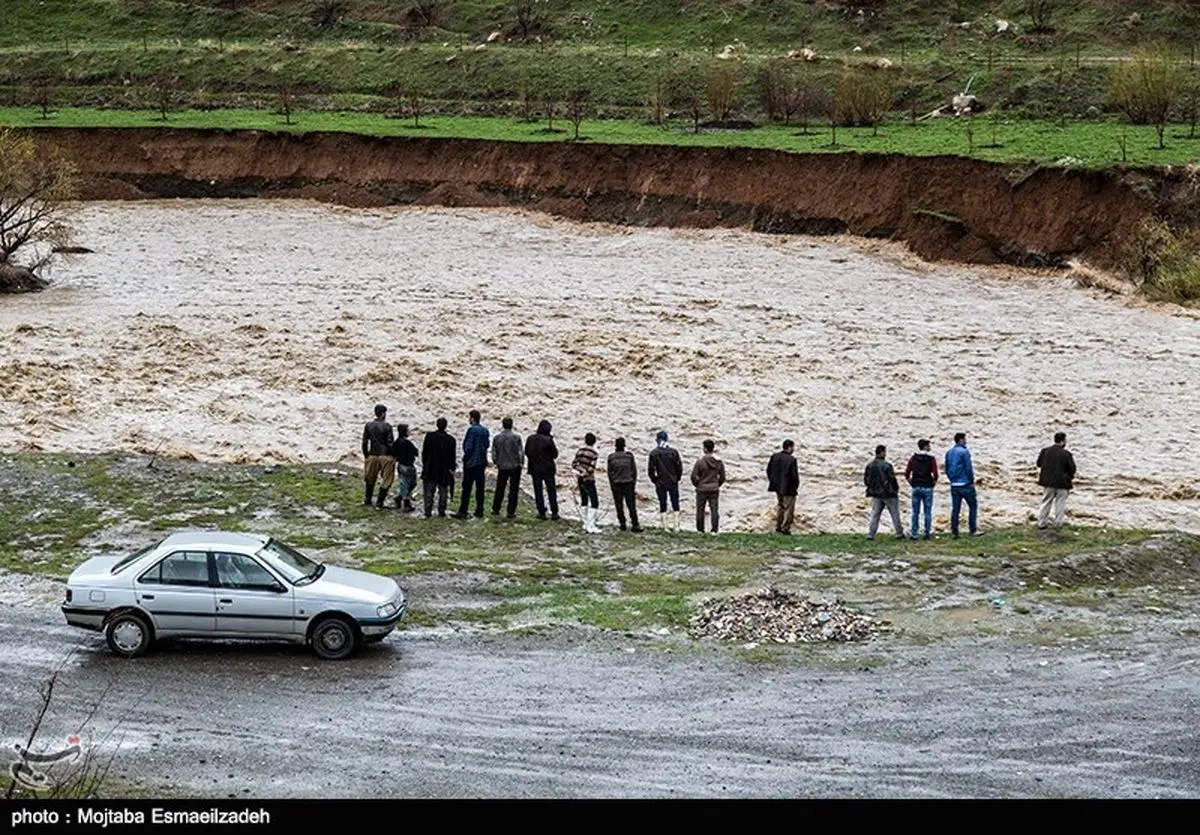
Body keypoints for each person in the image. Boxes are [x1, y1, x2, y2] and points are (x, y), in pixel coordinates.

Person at [453, 409, 489, 519]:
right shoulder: (485, 430)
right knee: (480, 487)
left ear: (472, 418)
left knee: (467, 488)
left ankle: (463, 510)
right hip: (481, 462)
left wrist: (466, 457)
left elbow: (468, 447)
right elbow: (487, 445)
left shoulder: (471, 430)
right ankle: (479, 510)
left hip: (471, 463)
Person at [1036, 431, 1077, 529]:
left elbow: (1039, 464)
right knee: (1060, 503)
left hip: (1048, 482)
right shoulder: (1067, 454)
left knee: (1046, 502)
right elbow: (1072, 469)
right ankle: (1057, 523)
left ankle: (1042, 523)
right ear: (1062, 441)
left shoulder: (1045, 451)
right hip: (1063, 483)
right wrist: (1069, 477)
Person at [865, 444, 905, 540]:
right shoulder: (887, 465)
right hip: (888, 493)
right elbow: (892, 479)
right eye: (884, 452)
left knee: (875, 514)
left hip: (876, 494)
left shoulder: (869, 465)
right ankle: (899, 533)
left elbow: (866, 480)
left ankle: (871, 534)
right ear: (882, 453)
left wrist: (871, 489)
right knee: (894, 514)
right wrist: (895, 489)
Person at [944, 432, 980, 538]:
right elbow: (968, 468)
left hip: (954, 484)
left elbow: (946, 468)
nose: (966, 441)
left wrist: (951, 479)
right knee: (973, 506)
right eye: (965, 439)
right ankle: (972, 530)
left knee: (955, 509)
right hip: (965, 484)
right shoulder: (964, 452)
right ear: (961, 439)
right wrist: (971, 481)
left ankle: (954, 532)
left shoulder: (949, 452)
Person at [648, 430, 684, 532]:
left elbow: (651, 470)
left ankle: (665, 526)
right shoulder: (673, 452)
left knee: (662, 503)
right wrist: (677, 478)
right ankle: (676, 526)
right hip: (673, 481)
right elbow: (679, 468)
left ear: (657, 440)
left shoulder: (654, 453)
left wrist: (655, 480)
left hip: (660, 482)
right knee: (675, 503)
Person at [420, 417, 457, 518]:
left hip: (430, 467)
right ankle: (442, 510)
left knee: (429, 491)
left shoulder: (429, 436)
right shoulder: (451, 440)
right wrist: (452, 468)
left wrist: (425, 464)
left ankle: (428, 510)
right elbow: (452, 457)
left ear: (437, 425)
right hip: (444, 469)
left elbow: (424, 452)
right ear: (445, 426)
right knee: (443, 491)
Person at [525, 419, 560, 521]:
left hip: (534, 469)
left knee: (538, 491)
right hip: (548, 469)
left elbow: (527, 452)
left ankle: (541, 512)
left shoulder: (530, 439)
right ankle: (554, 512)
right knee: (551, 491)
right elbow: (555, 454)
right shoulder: (548, 440)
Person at [361, 404, 395, 509]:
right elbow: (390, 443)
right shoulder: (387, 426)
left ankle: (368, 500)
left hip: (373, 454)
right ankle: (379, 503)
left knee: (370, 478)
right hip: (385, 455)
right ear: (383, 414)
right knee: (386, 480)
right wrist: (394, 455)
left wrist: (366, 454)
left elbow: (364, 442)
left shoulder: (368, 425)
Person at [904, 439, 939, 540]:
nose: (930, 447)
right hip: (927, 486)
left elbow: (907, 473)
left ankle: (914, 533)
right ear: (925, 446)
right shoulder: (931, 459)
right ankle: (927, 533)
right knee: (927, 512)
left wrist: (911, 482)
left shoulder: (913, 458)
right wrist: (933, 483)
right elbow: (935, 474)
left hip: (916, 486)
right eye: (928, 445)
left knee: (915, 512)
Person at [491, 417, 524, 519]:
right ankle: (510, 511)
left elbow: (494, 452)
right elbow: (520, 453)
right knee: (513, 490)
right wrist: (521, 463)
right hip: (514, 466)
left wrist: (496, 462)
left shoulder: (497, 438)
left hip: (502, 466)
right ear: (512, 425)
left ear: (503, 425)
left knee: (500, 488)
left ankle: (496, 509)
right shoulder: (517, 437)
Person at [690, 439, 726, 534]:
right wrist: (717, 484)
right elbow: (722, 477)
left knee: (700, 509)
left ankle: (700, 529)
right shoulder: (718, 462)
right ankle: (714, 530)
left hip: (701, 488)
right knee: (714, 509)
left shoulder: (700, 462)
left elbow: (693, 476)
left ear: (705, 449)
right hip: (714, 488)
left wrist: (697, 484)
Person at [607, 437, 642, 533]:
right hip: (628, 483)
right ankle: (635, 524)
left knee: (619, 506)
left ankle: (622, 524)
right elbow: (634, 471)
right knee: (631, 505)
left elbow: (609, 473)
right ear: (624, 446)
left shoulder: (611, 457)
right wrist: (633, 483)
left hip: (616, 484)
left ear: (615, 446)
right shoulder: (629, 456)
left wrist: (612, 484)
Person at [766, 440, 800, 535]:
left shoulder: (774, 457)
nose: (793, 449)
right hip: (789, 488)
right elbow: (794, 476)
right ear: (789, 447)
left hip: (777, 487)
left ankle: (778, 527)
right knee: (788, 509)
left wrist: (773, 481)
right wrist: (795, 486)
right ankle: (785, 528)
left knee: (780, 507)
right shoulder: (791, 460)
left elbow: (768, 470)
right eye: (793, 447)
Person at [572, 433, 601, 534]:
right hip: (589, 479)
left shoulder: (580, 451)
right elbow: (591, 468)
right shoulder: (594, 453)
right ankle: (590, 525)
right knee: (594, 502)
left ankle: (585, 523)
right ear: (594, 442)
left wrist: (580, 471)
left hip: (580, 479)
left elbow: (574, 464)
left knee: (584, 500)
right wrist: (585, 473)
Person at [390, 424, 419, 513]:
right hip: (408, 465)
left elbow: (393, 453)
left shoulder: (396, 442)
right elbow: (416, 452)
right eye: (407, 430)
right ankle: (406, 503)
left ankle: (400, 497)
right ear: (405, 432)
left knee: (404, 483)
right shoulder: (408, 443)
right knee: (411, 483)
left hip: (400, 465)